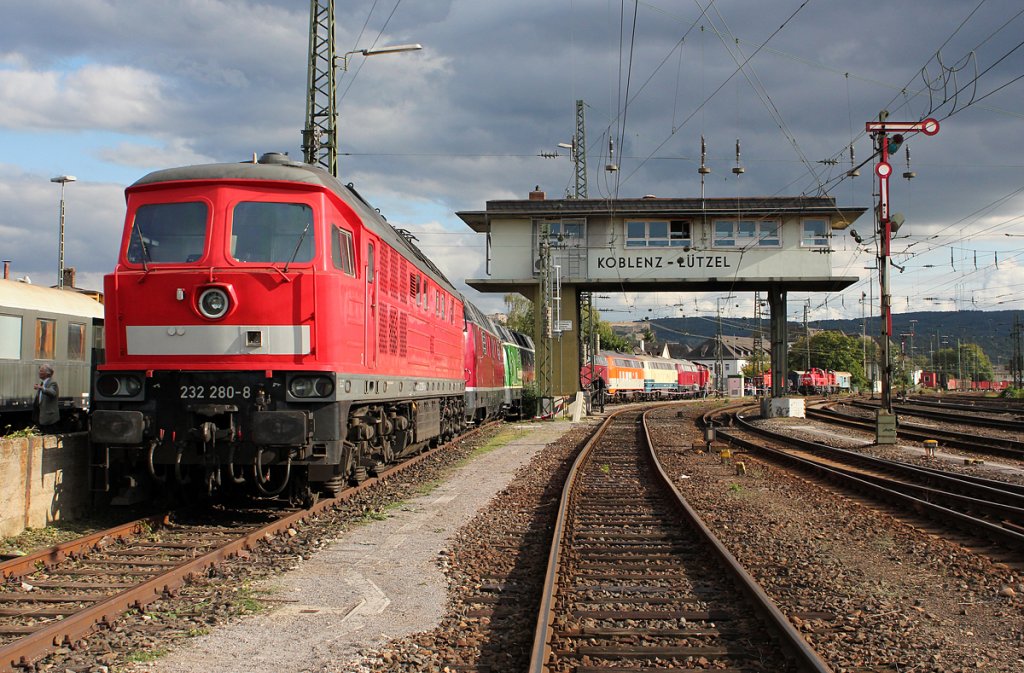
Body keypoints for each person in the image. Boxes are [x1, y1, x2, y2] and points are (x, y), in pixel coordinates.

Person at [32, 364, 60, 431]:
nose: (39, 372)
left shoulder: (53, 383)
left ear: (47, 373)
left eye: (41, 371)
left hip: (49, 418)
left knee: (49, 437)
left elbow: (52, 392)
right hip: (42, 417)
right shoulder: (42, 383)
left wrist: (41, 388)